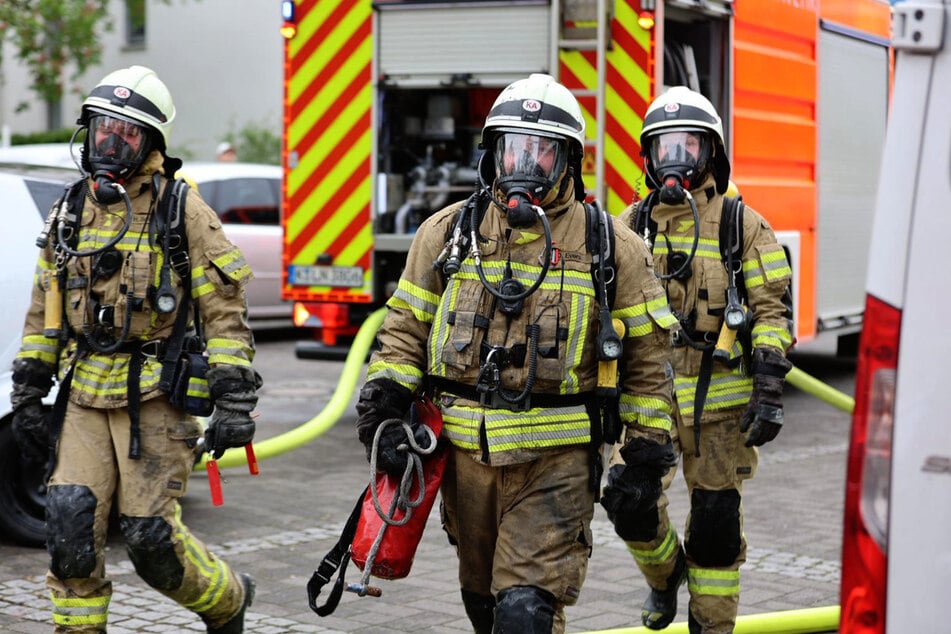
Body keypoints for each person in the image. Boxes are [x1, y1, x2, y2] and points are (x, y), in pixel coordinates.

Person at [353, 73, 677, 633]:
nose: (524, 164)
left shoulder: (611, 247)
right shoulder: (447, 235)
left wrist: (642, 458)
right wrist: (384, 409)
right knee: (484, 608)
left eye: (541, 151)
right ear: (492, 153)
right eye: (513, 148)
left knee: (526, 613)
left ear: (568, 161)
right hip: (465, 466)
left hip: (556, 466)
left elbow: (649, 368)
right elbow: (404, 332)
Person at [9, 65, 260, 633]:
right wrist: (28, 388)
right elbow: (45, 306)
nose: (110, 143)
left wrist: (234, 400)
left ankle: (228, 600)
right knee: (69, 529)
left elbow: (224, 309)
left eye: (126, 133)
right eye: (103, 128)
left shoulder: (181, 210)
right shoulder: (70, 209)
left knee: (150, 541)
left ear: (150, 144)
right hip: (83, 395)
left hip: (155, 395)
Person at [609, 86, 794, 633]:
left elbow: (772, 309)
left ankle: (710, 626)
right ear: (648, 156)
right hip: (649, 407)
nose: (675, 159)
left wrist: (768, 385)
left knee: (715, 529)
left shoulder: (741, 224)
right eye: (663, 147)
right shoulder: (629, 225)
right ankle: (666, 575)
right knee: (628, 502)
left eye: (687, 146)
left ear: (711, 151)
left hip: (720, 414)